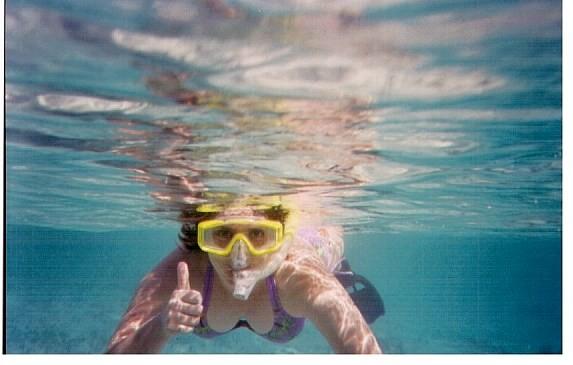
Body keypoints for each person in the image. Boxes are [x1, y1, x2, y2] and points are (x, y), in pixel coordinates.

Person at [106, 196, 383, 354]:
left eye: (258, 235)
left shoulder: (299, 276)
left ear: (280, 239)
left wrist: (333, 297)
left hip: (303, 256)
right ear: (204, 237)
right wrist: (161, 325)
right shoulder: (183, 272)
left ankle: (338, 270)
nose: (239, 258)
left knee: (327, 242)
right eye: (223, 234)